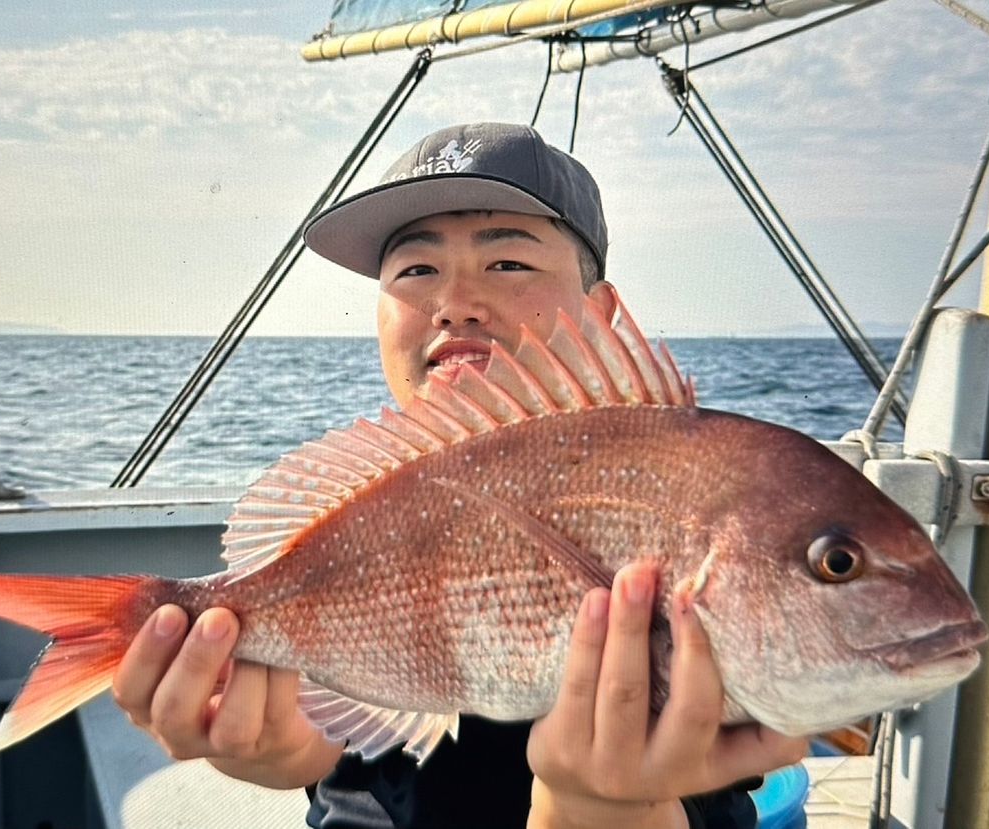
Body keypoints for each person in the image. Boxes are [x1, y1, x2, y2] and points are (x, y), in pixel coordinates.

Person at [112, 122, 808, 828]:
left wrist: (597, 809)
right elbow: (321, 738)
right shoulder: (360, 506)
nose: (456, 302)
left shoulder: (689, 482)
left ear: (599, 314)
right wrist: (275, 744)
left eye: (507, 263)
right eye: (415, 271)